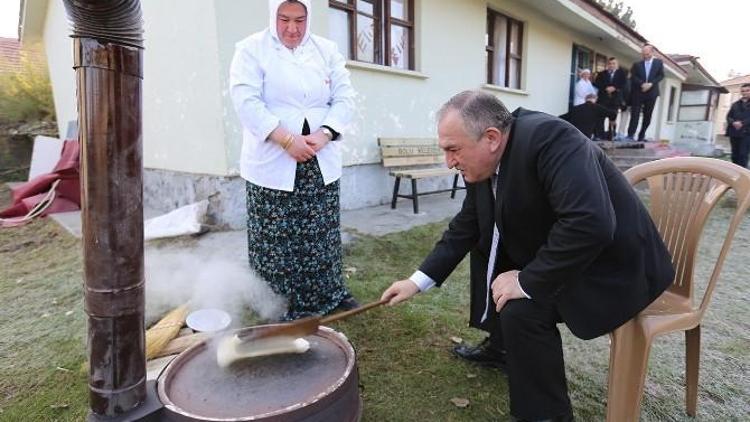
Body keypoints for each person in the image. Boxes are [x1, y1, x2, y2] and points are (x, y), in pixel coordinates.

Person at [380, 91, 675, 421]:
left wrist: (528, 280)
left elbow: (591, 222)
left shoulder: (553, 139)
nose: (448, 162)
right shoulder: (484, 162)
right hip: (575, 250)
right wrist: (415, 282)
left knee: (522, 308)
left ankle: (546, 415)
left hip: (614, 267)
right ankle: (502, 346)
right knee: (487, 246)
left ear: (491, 138)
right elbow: (467, 225)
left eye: (453, 149)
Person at [229, 0, 358, 320]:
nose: (292, 28)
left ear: (309, 18)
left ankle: (328, 294)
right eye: (284, 19)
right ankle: (279, 305)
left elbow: (344, 97)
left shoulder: (326, 50)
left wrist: (326, 133)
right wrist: (287, 139)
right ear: (272, 16)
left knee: (321, 233)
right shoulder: (251, 49)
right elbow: (246, 101)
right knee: (277, 239)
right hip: (273, 161)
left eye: (300, 20)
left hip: (318, 158)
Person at [627, 44, 664, 141]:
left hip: (652, 93)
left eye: (647, 54)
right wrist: (642, 84)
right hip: (638, 92)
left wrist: (651, 84)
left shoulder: (658, 63)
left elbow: (661, 76)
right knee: (635, 114)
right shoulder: (636, 65)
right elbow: (633, 77)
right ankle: (630, 135)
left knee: (648, 115)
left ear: (652, 52)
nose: (645, 56)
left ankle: (641, 135)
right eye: (643, 54)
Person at [593, 57, 627, 139]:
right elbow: (597, 83)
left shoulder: (622, 74)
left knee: (612, 118)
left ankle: (611, 135)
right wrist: (605, 88)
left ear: (617, 65)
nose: (611, 65)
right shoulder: (602, 74)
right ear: (607, 65)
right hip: (603, 99)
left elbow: (624, 84)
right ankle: (599, 135)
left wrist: (615, 88)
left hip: (615, 100)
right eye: (610, 64)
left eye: (613, 63)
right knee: (600, 118)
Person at [726, 83, 750, 168]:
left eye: (747, 90)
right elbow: (729, 116)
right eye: (743, 91)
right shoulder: (735, 104)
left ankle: (743, 175)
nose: (745, 92)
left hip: (747, 133)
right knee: (734, 154)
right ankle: (735, 173)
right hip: (734, 132)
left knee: (743, 154)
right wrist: (733, 122)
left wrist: (742, 123)